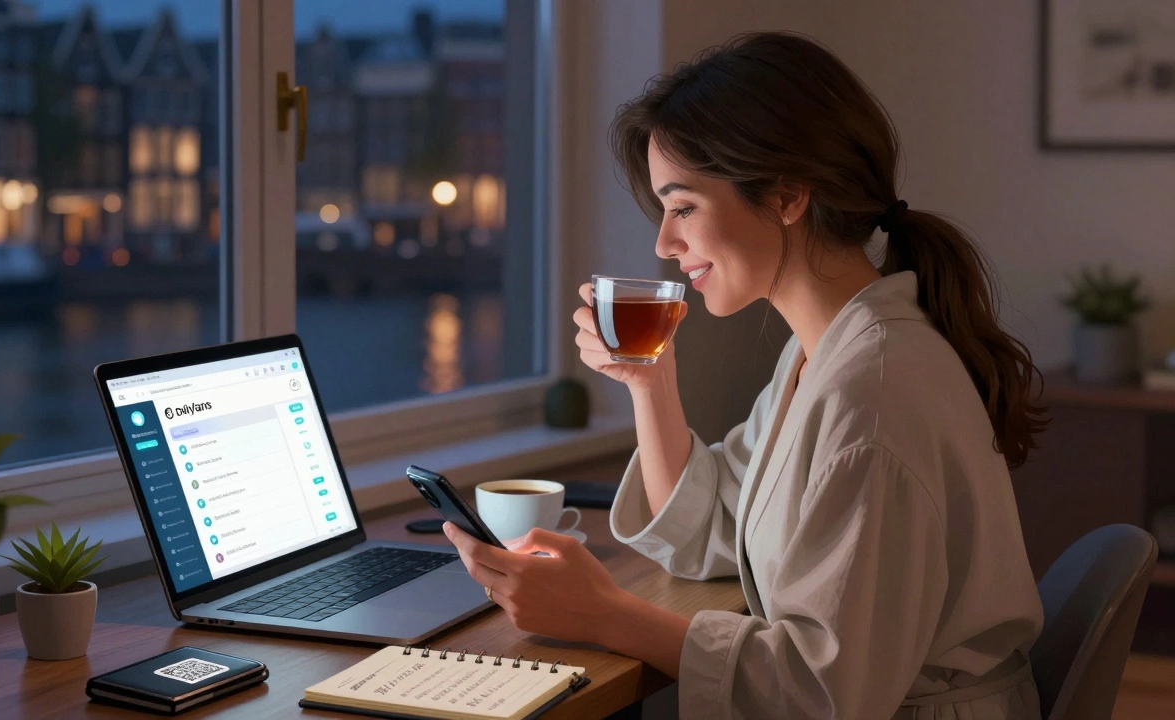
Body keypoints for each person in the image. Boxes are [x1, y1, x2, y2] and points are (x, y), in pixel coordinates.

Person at [443, 31, 1047, 719]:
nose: (664, 244)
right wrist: (650, 383)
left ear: (787, 195)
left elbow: (825, 693)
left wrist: (606, 614)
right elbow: (717, 526)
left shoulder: (872, 393)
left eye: (683, 207)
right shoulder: (821, 354)